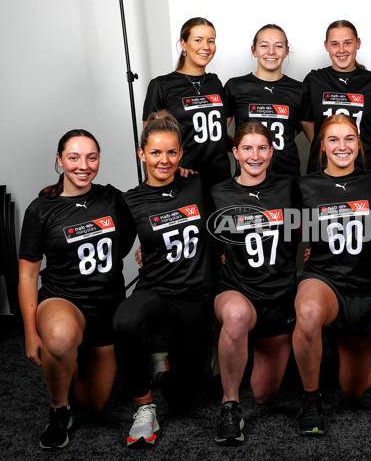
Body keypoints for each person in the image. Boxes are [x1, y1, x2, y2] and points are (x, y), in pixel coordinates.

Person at [18, 130, 134, 450]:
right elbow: (28, 277)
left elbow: (126, 241)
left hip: (106, 307)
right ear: (60, 161)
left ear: (98, 160)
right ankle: (58, 409)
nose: (83, 165)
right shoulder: (41, 209)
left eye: (91, 157)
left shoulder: (113, 198)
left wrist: (179, 172)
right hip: (63, 299)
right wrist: (30, 333)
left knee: (93, 403)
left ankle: (73, 357)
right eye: (73, 157)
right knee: (59, 337)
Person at [113, 111, 214, 447]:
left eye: (171, 152)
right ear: (142, 154)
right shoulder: (131, 201)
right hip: (156, 290)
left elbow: (222, 222)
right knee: (126, 319)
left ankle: (162, 366)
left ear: (181, 154)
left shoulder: (196, 183)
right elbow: (120, 248)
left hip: (195, 295)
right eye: (155, 152)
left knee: (183, 400)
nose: (164, 160)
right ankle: (143, 407)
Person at [294, 114, 371, 435]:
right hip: (325, 279)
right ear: (322, 146)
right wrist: (227, 249)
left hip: (364, 286)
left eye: (349, 139)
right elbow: (282, 228)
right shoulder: (305, 186)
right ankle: (311, 399)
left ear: (359, 144)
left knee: (353, 389)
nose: (342, 146)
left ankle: (338, 347)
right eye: (333, 139)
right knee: (307, 311)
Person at [209, 122, 300, 444]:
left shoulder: (290, 187)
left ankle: (238, 351)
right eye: (246, 148)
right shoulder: (218, 191)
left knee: (264, 394)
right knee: (235, 317)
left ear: (272, 152)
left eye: (262, 148)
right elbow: (201, 236)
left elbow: (313, 221)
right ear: (235, 152)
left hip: (278, 295)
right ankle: (229, 405)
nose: (254, 155)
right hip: (237, 288)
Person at [142, 17, 231, 205]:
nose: (205, 46)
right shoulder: (162, 85)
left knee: (220, 230)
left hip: (220, 177)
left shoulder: (215, 83)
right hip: (184, 176)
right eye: (198, 40)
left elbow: (219, 133)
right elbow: (149, 143)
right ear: (184, 43)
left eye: (211, 40)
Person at [225, 24, 312, 178]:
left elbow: (313, 138)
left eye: (278, 46)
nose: (271, 52)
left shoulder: (299, 90)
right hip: (248, 177)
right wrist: (244, 148)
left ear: (286, 51)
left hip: (287, 176)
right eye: (264, 45)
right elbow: (217, 135)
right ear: (254, 50)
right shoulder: (236, 86)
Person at [303, 20, 371, 175]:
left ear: (358, 43)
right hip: (322, 168)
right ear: (326, 46)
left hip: (365, 167)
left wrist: (368, 143)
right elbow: (306, 120)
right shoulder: (315, 79)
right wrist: (324, 143)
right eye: (335, 44)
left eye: (347, 43)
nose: (341, 50)